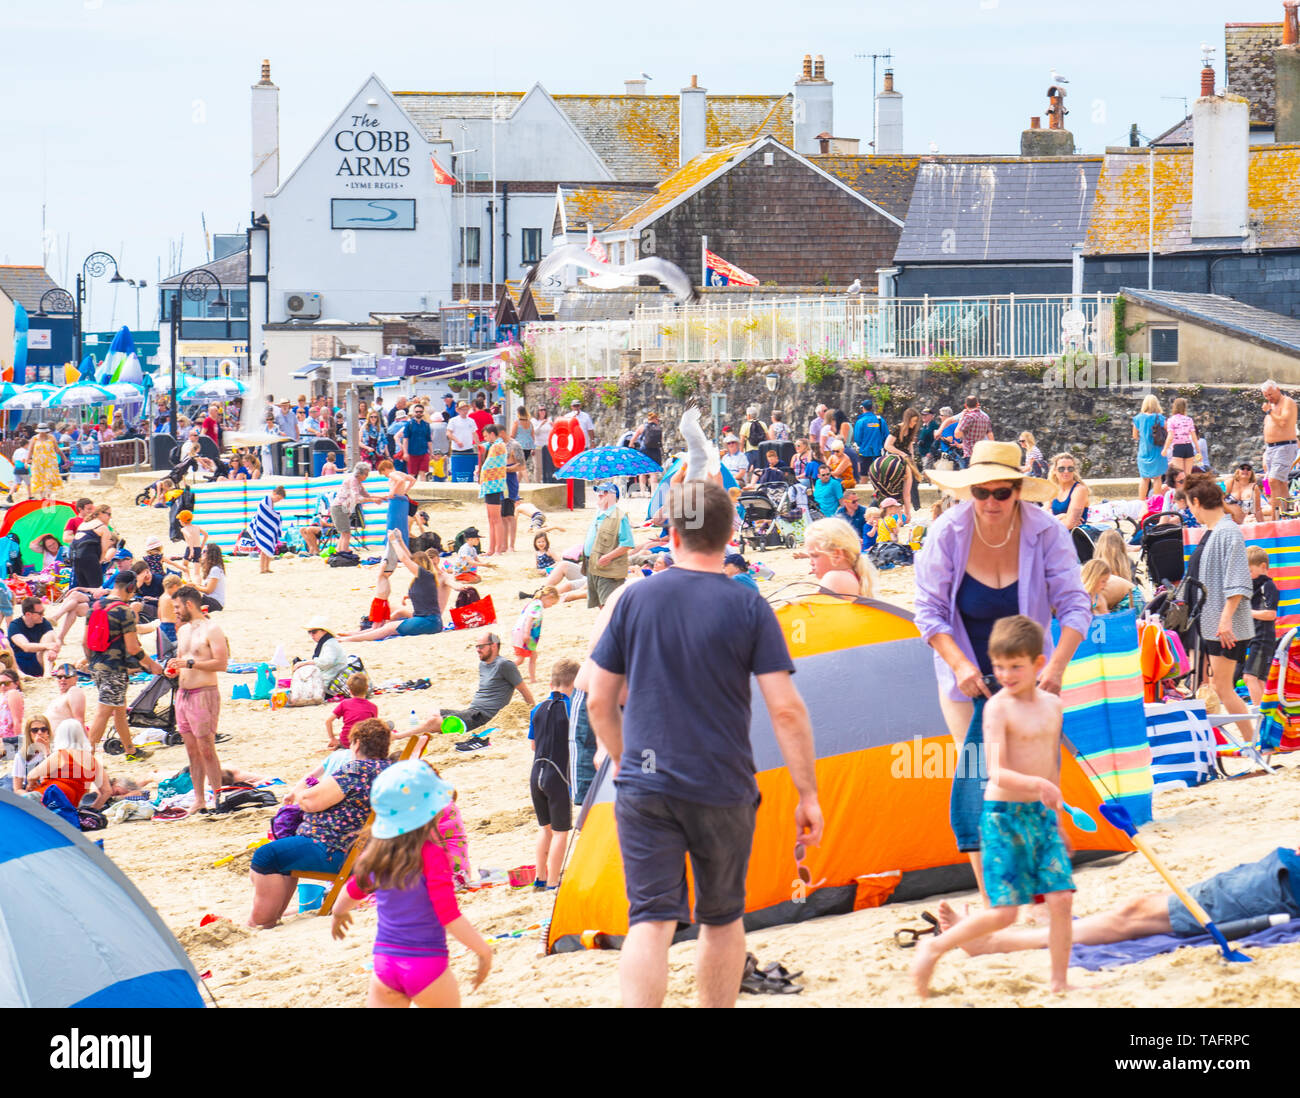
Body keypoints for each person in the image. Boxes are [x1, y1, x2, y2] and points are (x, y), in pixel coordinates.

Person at [586, 479, 822, 1008]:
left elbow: (599, 699)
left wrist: (625, 760)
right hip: (722, 783)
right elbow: (786, 709)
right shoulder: (748, 606)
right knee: (721, 917)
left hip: (646, 785)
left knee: (649, 920)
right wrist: (807, 794)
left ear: (671, 533)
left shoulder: (635, 598)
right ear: (732, 532)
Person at [916, 440, 1091, 900]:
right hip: (964, 671)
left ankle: (1036, 886)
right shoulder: (948, 533)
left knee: (1034, 772)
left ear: (1018, 492)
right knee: (981, 775)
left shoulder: (1046, 531)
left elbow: (1075, 605)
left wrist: (1054, 668)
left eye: (1001, 493)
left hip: (1032, 671)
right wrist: (959, 667)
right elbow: (929, 613)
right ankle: (994, 894)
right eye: (981, 493)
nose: (991, 502)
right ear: (968, 491)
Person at [912, 615, 1075, 997]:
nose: (1004, 675)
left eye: (1015, 666)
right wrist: (1038, 785)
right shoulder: (997, 708)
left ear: (1038, 664)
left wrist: (1057, 818)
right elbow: (996, 772)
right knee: (1004, 913)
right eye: (998, 666)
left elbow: (1051, 765)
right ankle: (934, 947)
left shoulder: (1053, 705)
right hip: (1003, 819)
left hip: (1039, 818)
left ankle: (1059, 981)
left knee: (1062, 899)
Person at [935, 841, 1300, 958]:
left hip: (1281, 883)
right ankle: (994, 938)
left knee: (1135, 914)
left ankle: (993, 942)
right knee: (1143, 909)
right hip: (1281, 875)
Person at [330, 761, 492, 1007]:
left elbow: (352, 889)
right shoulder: (431, 854)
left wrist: (338, 913)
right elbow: (447, 913)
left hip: (384, 964)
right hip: (427, 964)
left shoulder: (378, 853)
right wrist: (482, 950)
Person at [248, 718, 392, 928]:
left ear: (357, 744)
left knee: (266, 855)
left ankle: (260, 921)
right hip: (361, 849)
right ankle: (271, 915)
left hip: (335, 849)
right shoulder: (388, 770)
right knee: (282, 857)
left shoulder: (358, 770)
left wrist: (299, 792)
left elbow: (310, 802)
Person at [1185, 474, 1255, 745]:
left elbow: (1237, 581)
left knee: (1224, 689)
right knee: (1220, 688)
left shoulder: (1227, 532)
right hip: (1218, 623)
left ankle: (1255, 746)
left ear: (1197, 501)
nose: (1191, 512)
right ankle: (1253, 744)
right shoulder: (1218, 531)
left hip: (1226, 625)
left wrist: (1225, 620)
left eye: (1191, 505)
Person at [86, 571, 167, 758]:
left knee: (119, 709)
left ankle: (130, 750)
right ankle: (86, 758)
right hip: (114, 668)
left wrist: (92, 663)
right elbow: (132, 647)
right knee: (104, 712)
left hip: (96, 665)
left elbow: (85, 641)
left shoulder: (95, 606)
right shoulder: (125, 611)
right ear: (130, 587)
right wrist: (152, 665)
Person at [404, 631, 535, 746]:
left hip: (482, 716)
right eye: (477, 646)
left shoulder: (505, 665)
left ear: (494, 646)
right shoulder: (483, 664)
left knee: (434, 721)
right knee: (434, 712)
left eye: (481, 646)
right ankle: (433, 728)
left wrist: (534, 714)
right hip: (472, 712)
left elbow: (523, 689)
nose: (478, 649)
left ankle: (399, 736)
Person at [165, 584, 230, 816]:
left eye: (177, 607)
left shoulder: (212, 629)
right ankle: (200, 798)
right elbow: (181, 660)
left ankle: (218, 795)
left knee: (207, 748)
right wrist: (173, 670)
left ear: (189, 604)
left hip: (204, 693)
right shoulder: (182, 631)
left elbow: (222, 664)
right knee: (191, 750)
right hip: (183, 694)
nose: (176, 611)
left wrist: (190, 664)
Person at [342, 532, 452, 642]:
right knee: (387, 625)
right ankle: (353, 635)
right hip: (424, 619)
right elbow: (408, 557)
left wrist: (394, 541)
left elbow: (405, 558)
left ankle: (350, 639)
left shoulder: (426, 575)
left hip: (429, 622)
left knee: (389, 628)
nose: (410, 565)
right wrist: (399, 540)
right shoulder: (422, 578)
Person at [529, 658, 579, 891]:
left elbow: (532, 744)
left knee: (545, 829)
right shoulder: (572, 709)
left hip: (535, 772)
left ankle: (539, 877)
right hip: (557, 776)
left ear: (551, 683)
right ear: (576, 684)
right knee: (561, 833)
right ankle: (553, 882)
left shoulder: (537, 709)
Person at [25, 719, 109, 818]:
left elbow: (31, 776)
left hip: (48, 797)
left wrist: (31, 784)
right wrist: (92, 810)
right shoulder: (93, 762)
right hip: (68, 807)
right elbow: (107, 791)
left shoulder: (61, 754)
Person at [794, 516, 876, 597]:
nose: (811, 563)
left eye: (815, 556)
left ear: (837, 555)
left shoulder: (835, 578)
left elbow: (810, 607)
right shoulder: (852, 576)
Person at [583, 483, 635, 608]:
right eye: (599, 491)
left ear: (612, 496)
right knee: (601, 605)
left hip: (609, 569)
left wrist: (608, 557)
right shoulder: (598, 514)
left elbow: (627, 544)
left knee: (609, 605)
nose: (600, 494)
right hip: (593, 565)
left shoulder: (620, 517)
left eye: (604, 492)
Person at [1244, 545, 1280, 706]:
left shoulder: (1269, 586)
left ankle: (1260, 713)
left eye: (1250, 571)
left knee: (1249, 677)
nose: (1249, 576)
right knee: (1259, 680)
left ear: (1263, 567)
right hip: (1256, 636)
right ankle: (1266, 712)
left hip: (1263, 637)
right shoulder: (1256, 586)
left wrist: (1248, 613)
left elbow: (1270, 614)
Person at [330, 462, 383, 557]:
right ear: (360, 473)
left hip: (343, 508)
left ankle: (340, 552)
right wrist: (373, 500)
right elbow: (357, 498)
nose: (366, 477)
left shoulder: (358, 482)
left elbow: (366, 495)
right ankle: (344, 553)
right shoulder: (353, 481)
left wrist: (382, 497)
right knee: (346, 533)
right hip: (340, 507)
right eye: (366, 474)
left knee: (344, 533)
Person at [1260, 379, 1298, 514]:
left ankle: (1275, 517)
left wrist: (1269, 412)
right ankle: (1289, 513)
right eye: (1266, 396)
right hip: (1271, 448)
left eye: (1271, 394)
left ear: (1278, 389)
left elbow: (1283, 423)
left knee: (1273, 481)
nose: (1269, 398)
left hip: (1285, 446)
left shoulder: (1287, 402)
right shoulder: (1271, 407)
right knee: (1280, 483)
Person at [511, 586, 559, 683]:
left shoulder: (535, 603)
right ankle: (502, 670)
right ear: (549, 596)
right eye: (552, 603)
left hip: (526, 634)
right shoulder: (538, 605)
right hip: (524, 634)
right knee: (520, 659)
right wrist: (526, 634)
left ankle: (533, 679)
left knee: (533, 656)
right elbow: (529, 619)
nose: (551, 606)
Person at [1092, 529, 1144, 616]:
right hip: (1133, 599)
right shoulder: (1127, 562)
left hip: (1120, 601)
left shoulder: (1097, 567)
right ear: (1121, 545)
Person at [376, 460, 415, 568]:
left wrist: (393, 491)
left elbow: (400, 481)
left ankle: (391, 551)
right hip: (403, 500)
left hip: (396, 500)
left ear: (385, 469)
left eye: (383, 473)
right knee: (403, 526)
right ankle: (404, 551)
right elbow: (412, 480)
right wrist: (405, 490)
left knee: (392, 524)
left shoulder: (393, 474)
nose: (385, 475)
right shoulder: (400, 472)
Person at [297, 617, 351, 696]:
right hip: (332, 680)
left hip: (331, 684)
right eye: (309, 632)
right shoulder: (327, 642)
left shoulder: (330, 644)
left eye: (314, 631)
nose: (311, 635)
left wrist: (306, 663)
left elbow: (326, 662)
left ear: (324, 631)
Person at [326, 672, 378, 749]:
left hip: (346, 741)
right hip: (363, 745)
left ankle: (338, 745)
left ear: (349, 690)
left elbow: (328, 721)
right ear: (367, 688)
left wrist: (332, 738)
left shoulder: (344, 704)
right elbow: (373, 727)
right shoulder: (373, 707)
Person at [478, 424, 508, 556]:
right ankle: (492, 549)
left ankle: (498, 549)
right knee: (492, 518)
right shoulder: (496, 445)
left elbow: (488, 464)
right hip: (492, 484)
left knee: (495, 518)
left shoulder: (497, 446)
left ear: (491, 434)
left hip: (493, 483)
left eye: (486, 435)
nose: (485, 438)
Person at [8, 597, 55, 679]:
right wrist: (48, 646)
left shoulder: (44, 623)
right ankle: (25, 676)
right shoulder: (15, 625)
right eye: (40, 613)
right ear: (28, 614)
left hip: (38, 660)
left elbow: (55, 641)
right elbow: (25, 647)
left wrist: (51, 649)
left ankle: (47, 674)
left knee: (49, 636)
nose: (43, 615)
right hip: (19, 663)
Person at [1132, 394, 1168, 500]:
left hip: (1143, 452)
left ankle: (1142, 502)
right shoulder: (1160, 418)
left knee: (1144, 479)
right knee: (1157, 478)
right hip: (1157, 451)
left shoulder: (1138, 418)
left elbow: (1134, 436)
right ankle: (1156, 502)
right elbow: (1169, 431)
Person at [1048, 452, 1090, 530]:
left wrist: (1051, 519)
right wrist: (1061, 516)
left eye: (1070, 468)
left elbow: (1070, 524)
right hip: (1055, 535)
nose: (1066, 471)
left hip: (1071, 538)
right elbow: (1041, 517)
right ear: (1054, 470)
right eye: (1061, 469)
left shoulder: (1079, 490)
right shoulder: (1054, 490)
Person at [10, 714, 52, 793]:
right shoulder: (21, 756)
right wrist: (29, 795)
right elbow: (17, 789)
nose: (39, 733)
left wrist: (47, 750)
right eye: (35, 730)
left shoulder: (56, 751)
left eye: (43, 729)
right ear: (29, 733)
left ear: (48, 731)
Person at [252, 485, 288, 574]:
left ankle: (267, 567)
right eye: (278, 498)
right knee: (264, 549)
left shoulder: (270, 502)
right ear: (274, 493)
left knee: (268, 548)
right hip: (263, 528)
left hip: (267, 528)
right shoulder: (266, 501)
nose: (278, 500)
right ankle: (262, 568)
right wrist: (276, 517)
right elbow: (264, 514)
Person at [1161, 396, 1199, 478]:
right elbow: (1194, 436)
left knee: (1179, 477)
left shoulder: (1171, 420)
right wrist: (1198, 451)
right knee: (1188, 476)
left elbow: (1170, 436)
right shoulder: (1189, 419)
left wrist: (1165, 449)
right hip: (1189, 447)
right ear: (1185, 408)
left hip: (1178, 447)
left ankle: (1180, 491)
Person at [853, 397, 889, 474]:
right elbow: (887, 436)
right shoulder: (880, 420)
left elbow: (857, 439)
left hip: (865, 453)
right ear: (872, 408)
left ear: (862, 408)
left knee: (864, 475)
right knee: (878, 476)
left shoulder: (860, 422)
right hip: (878, 453)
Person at [402, 403, 433, 480]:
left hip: (424, 452)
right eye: (417, 411)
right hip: (412, 453)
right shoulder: (409, 424)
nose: (418, 413)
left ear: (423, 413)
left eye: (420, 412)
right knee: (412, 474)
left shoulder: (426, 425)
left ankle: (423, 491)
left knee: (423, 473)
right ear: (413, 412)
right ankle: (410, 491)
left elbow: (429, 440)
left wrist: (431, 452)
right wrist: (405, 453)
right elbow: (405, 439)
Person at [954, 396, 991, 463]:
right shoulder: (985, 417)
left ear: (965, 405)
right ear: (977, 404)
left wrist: (961, 420)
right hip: (981, 454)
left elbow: (957, 434)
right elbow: (990, 435)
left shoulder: (968, 417)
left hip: (969, 455)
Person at [177, 510, 209, 582]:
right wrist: (202, 546)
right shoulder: (196, 527)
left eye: (179, 519)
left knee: (184, 565)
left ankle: (188, 580)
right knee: (197, 572)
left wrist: (191, 550)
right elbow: (206, 535)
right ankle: (198, 584)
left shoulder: (184, 529)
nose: (179, 521)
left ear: (182, 521)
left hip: (190, 549)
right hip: (198, 549)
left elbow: (190, 537)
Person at [196, 544, 227, 612]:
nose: (202, 553)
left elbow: (209, 590)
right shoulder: (212, 569)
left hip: (215, 603)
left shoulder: (215, 569)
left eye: (204, 551)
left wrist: (195, 586)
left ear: (210, 554)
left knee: (191, 596)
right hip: (211, 600)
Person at [532, 406, 554, 483]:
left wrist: (553, 425)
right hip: (538, 446)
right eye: (541, 410)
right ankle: (537, 483)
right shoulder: (534, 421)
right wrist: (541, 424)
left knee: (548, 466)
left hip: (548, 446)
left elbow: (552, 432)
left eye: (544, 410)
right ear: (537, 411)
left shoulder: (549, 420)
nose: (543, 411)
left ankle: (547, 482)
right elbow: (535, 432)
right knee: (538, 467)